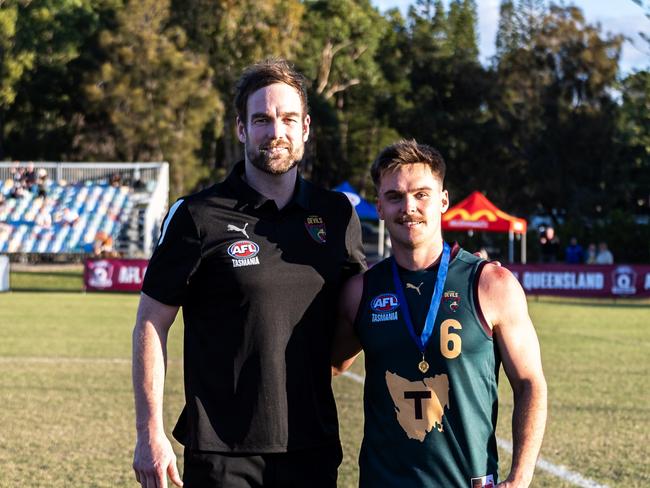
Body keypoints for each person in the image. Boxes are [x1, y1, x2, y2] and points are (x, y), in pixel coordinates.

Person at [131, 59, 366, 488]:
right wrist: (149, 432)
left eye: (288, 119)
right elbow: (151, 321)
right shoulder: (197, 216)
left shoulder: (336, 215)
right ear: (241, 128)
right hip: (223, 454)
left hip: (311, 447)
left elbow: (356, 312)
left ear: (306, 128)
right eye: (262, 119)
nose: (276, 131)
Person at [332, 140, 547, 487]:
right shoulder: (360, 292)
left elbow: (529, 383)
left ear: (443, 200)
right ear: (380, 208)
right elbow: (329, 367)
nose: (409, 207)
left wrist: (519, 478)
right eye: (394, 197)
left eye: (421, 194)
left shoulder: (492, 284)